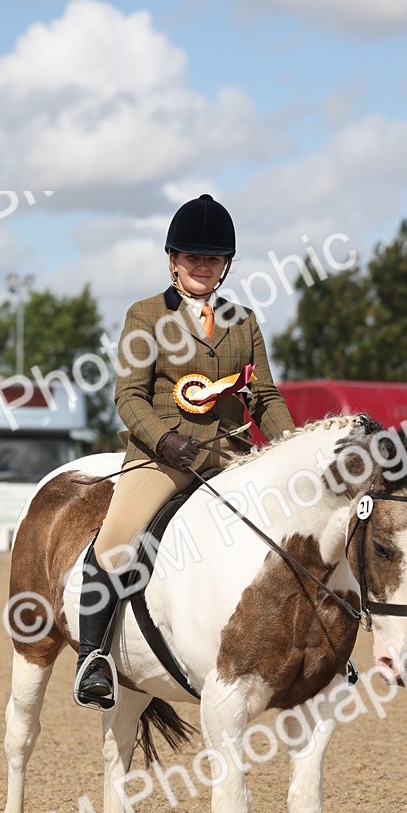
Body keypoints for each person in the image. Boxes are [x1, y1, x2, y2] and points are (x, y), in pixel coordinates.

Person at [74, 192, 296, 709]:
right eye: (193, 256)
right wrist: (166, 441)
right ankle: (91, 658)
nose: (203, 266)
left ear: (226, 265)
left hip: (230, 457)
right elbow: (127, 396)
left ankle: (318, 651)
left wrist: (292, 448)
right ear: (172, 260)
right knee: (116, 541)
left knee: (300, 531)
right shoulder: (146, 316)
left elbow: (262, 397)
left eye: (213, 258)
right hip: (161, 457)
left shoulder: (243, 320)